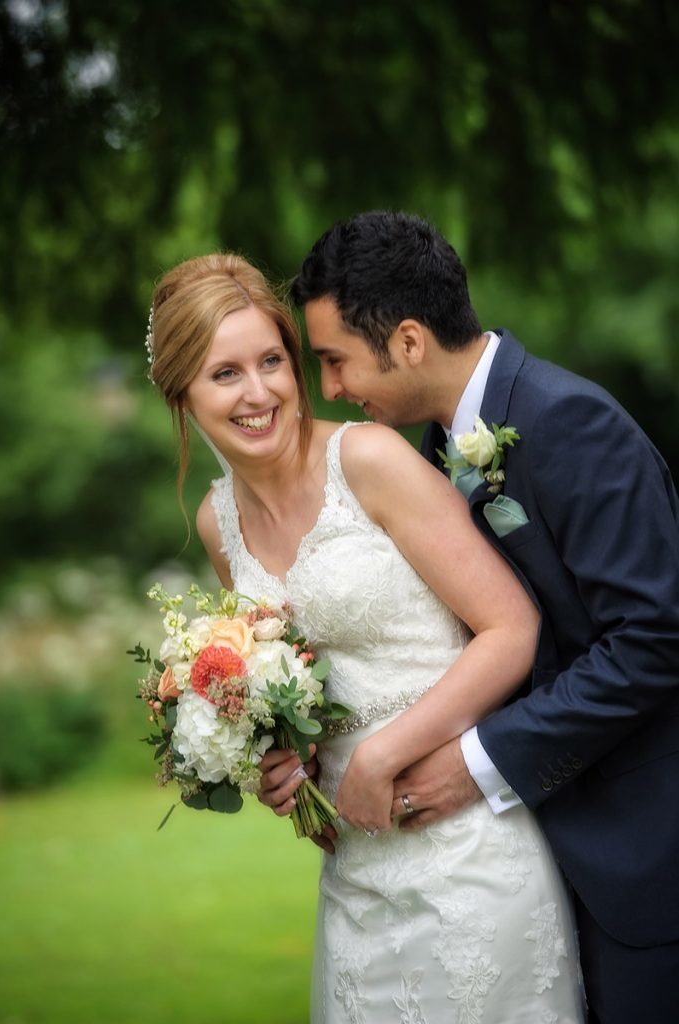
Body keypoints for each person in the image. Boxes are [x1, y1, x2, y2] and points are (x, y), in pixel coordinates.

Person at [260, 211, 679, 1024]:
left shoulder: (573, 423)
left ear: (409, 340)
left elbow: (653, 640)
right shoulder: (427, 457)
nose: (332, 390)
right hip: (521, 871)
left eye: (336, 361)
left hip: (640, 861)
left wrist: (481, 758)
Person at [147, 251, 586, 1023]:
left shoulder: (369, 459)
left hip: (469, 853)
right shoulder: (219, 524)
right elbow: (299, 686)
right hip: (353, 874)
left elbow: (510, 627)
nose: (259, 394)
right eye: (225, 374)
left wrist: (383, 754)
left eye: (273, 362)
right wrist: (280, 766)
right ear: (181, 392)